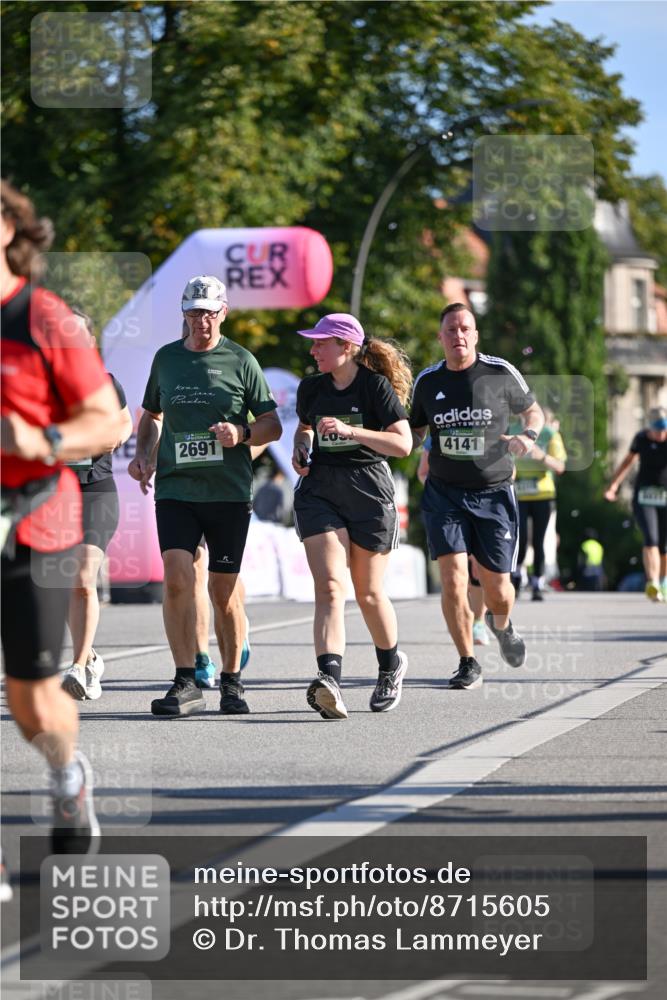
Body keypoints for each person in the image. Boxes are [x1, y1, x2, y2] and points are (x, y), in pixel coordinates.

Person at [1, 179, 122, 853]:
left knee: (32, 699)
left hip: (34, 518)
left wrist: (43, 441)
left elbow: (105, 421)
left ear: (9, 230)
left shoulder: (47, 317)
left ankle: (67, 774)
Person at [129, 275, 281, 717]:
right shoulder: (167, 360)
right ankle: (185, 679)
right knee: (177, 578)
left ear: (223, 313)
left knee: (223, 592)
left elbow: (272, 424)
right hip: (177, 488)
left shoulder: (240, 360)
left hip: (228, 493)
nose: (202, 321)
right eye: (194, 313)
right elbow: (152, 416)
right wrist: (144, 454)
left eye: (209, 313)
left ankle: (232, 681)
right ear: (185, 315)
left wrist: (243, 432)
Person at [410, 302, 543, 690]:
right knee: (452, 580)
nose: (458, 336)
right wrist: (396, 443)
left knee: (498, 588)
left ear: (476, 335)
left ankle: (501, 624)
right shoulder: (428, 382)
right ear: (441, 337)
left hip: (493, 493)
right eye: (451, 330)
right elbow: (416, 432)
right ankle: (467, 661)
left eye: (465, 329)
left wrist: (528, 436)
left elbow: (534, 413)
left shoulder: (499, 373)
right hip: (444, 493)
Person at [292, 313, 412, 719]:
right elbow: (305, 428)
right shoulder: (311, 388)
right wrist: (302, 447)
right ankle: (330, 682)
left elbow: (403, 444)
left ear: (346, 347)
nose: (312, 350)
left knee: (368, 593)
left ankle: (390, 665)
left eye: (320, 343)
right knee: (328, 587)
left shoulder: (374, 387)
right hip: (321, 490)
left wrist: (351, 432)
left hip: (368, 492)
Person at [60, 308, 133, 700]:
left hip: (93, 491)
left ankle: (78, 668)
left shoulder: (106, 384)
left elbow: (123, 425)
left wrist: (108, 438)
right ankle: (87, 657)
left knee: (83, 577)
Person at [418, 436, 490, 644]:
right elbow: (423, 473)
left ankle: (478, 621)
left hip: (482, 505)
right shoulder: (436, 432)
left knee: (478, 568)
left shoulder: (487, 422)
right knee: (456, 573)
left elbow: (507, 471)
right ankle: (466, 625)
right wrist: (442, 489)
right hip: (447, 508)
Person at [605, 405, 667, 602]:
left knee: (664, 545)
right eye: (658, 430)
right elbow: (627, 462)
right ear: (650, 428)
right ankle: (653, 583)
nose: (661, 434)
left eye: (665, 429)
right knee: (651, 538)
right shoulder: (640, 439)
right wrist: (614, 485)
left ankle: (664, 581)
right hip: (644, 496)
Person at [511, 407, 567, 600]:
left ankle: (537, 582)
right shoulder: (511, 429)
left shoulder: (549, 434)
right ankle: (517, 577)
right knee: (520, 539)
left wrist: (541, 456)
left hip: (543, 494)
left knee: (539, 540)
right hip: (518, 494)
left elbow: (560, 466)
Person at [577, 527, 604, 592]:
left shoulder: (585, 544)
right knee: (596, 584)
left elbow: (582, 557)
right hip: (598, 567)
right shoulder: (599, 545)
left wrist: (580, 566)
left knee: (587, 584)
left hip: (588, 567)